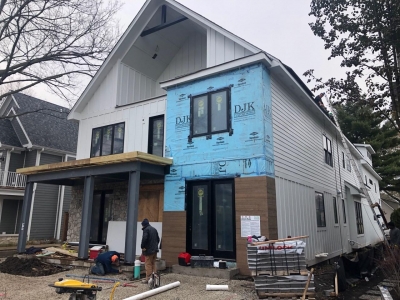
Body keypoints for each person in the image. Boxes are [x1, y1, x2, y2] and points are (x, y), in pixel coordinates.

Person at [140, 218, 160, 284]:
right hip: (155, 250)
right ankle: (155, 278)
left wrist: (143, 247)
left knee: (148, 264)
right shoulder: (154, 229)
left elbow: (144, 239)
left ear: (144, 225)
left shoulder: (146, 230)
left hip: (149, 250)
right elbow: (158, 239)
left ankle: (149, 279)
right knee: (153, 263)